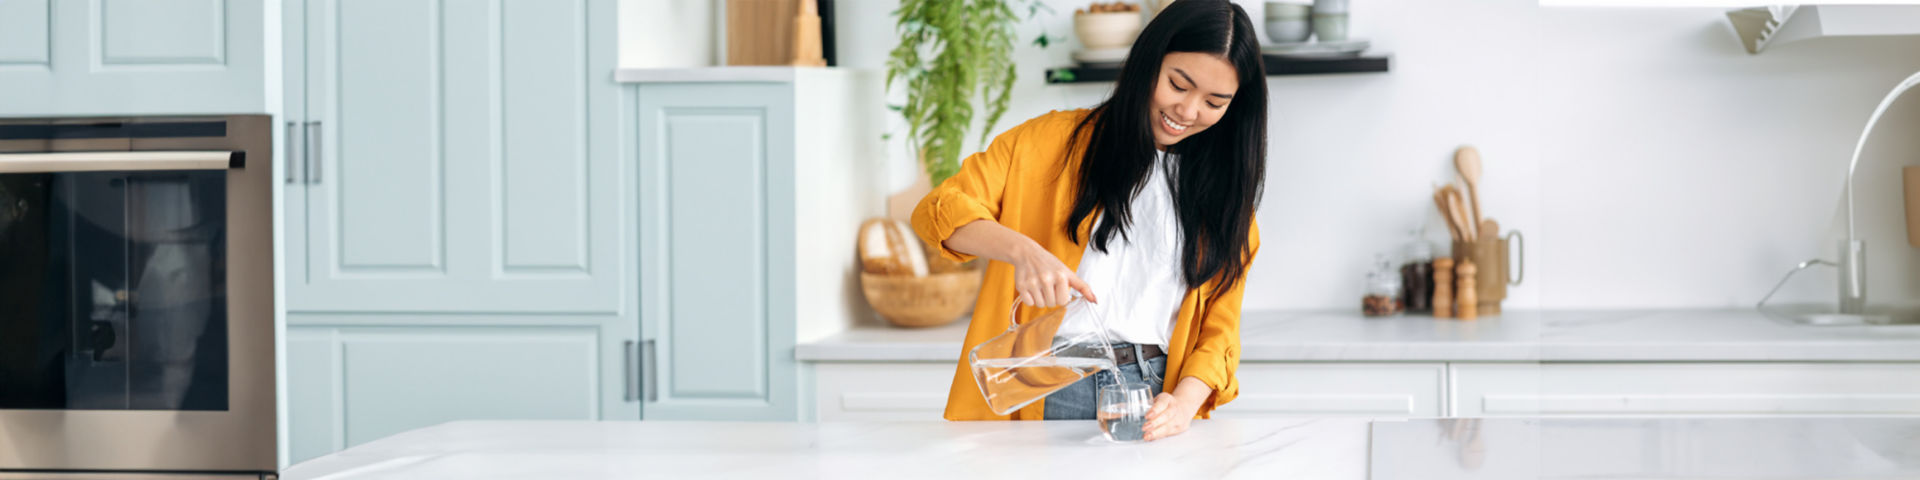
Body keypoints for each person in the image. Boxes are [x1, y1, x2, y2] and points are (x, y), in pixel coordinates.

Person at [911, 0, 1267, 441]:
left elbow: (1219, 331)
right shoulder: (1047, 143)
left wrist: (1183, 404)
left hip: (1157, 395)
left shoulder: (1228, 201)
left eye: (1214, 102)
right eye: (1178, 85)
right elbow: (938, 210)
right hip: (1050, 382)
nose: (1189, 112)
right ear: (1148, 63)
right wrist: (1023, 252)